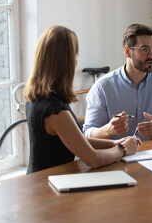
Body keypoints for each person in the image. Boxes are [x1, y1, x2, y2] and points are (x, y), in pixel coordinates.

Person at [25, 25, 141, 174]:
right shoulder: (55, 110)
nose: (76, 61)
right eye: (76, 55)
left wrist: (115, 142)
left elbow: (76, 140)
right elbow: (94, 159)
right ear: (67, 61)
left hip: (40, 179)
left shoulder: (38, 96)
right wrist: (123, 149)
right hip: (46, 184)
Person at [83, 24, 152, 140]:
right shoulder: (102, 87)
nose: (151, 55)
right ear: (127, 51)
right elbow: (88, 131)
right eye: (145, 49)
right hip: (118, 154)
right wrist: (108, 130)